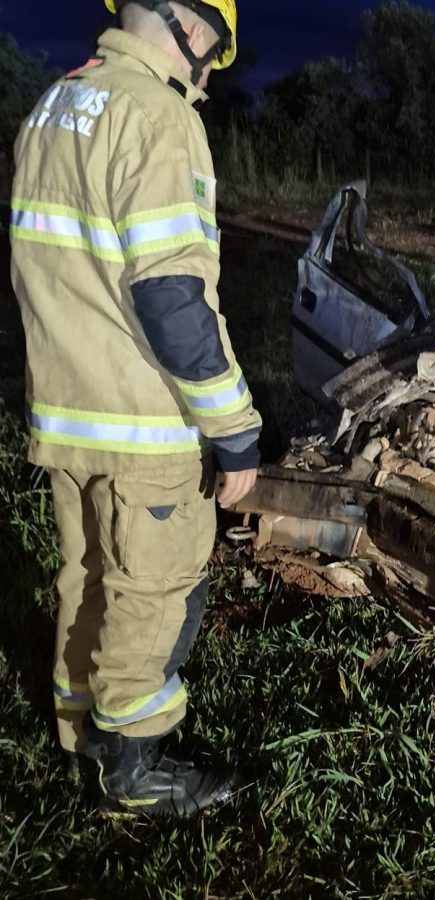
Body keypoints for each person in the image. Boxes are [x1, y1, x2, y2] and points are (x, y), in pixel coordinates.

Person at [9, 0, 259, 817]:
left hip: (66, 411)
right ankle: (134, 770)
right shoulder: (157, 115)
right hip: (142, 422)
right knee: (154, 588)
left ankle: (81, 732)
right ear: (189, 27)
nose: (210, 74)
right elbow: (171, 296)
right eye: (215, 52)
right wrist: (234, 429)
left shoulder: (54, 106)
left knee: (85, 574)